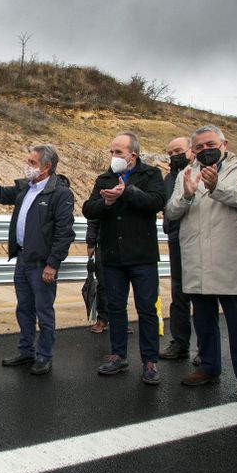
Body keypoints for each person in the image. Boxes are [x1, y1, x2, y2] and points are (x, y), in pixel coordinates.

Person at [164, 126, 237, 400]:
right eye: (199, 147)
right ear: (192, 150)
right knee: (203, 320)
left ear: (224, 143)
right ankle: (208, 366)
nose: (205, 150)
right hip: (196, 257)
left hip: (232, 258)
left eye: (210, 144)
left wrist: (215, 187)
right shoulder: (186, 172)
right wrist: (185, 194)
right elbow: (171, 211)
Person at [0, 145, 75, 375]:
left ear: (46, 167)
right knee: (24, 309)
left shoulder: (59, 193)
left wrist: (53, 264)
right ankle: (26, 350)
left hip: (42, 265)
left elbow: (65, 232)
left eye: (32, 163)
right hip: (22, 259)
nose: (27, 166)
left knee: (44, 312)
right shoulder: (25, 188)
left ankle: (44, 356)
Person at [82, 132, 166, 385]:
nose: (113, 157)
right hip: (112, 256)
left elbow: (156, 202)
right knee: (116, 308)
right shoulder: (104, 178)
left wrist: (127, 192)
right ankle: (118, 355)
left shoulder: (151, 174)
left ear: (133, 155)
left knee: (146, 309)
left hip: (142, 255)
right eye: (111, 152)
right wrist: (106, 203)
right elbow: (88, 209)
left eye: (118, 152)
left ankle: (150, 362)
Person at [158, 137, 195, 361]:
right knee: (178, 292)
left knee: (202, 295)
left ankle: (209, 349)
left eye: (178, 151)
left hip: (200, 240)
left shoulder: (201, 172)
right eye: (170, 152)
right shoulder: (169, 178)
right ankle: (180, 342)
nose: (174, 155)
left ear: (191, 151)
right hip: (176, 239)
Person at [84, 218, 109, 333]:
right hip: (103, 246)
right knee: (103, 284)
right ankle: (102, 319)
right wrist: (90, 242)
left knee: (121, 285)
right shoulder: (100, 199)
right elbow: (93, 220)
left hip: (124, 246)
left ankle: (119, 321)